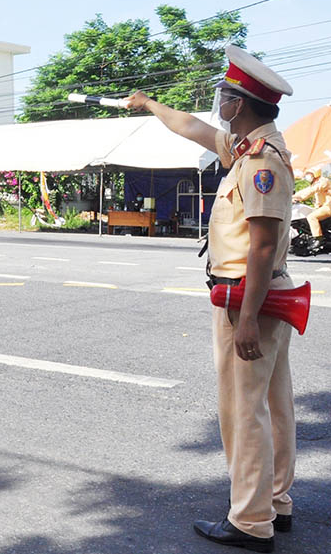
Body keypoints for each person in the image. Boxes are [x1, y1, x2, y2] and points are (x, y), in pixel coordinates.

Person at [125, 45, 295, 553]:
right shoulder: (251, 147)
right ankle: (276, 503)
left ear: (239, 105)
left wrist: (245, 318)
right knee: (274, 403)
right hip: (262, 296)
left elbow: (263, 244)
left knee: (244, 410)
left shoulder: (260, 161)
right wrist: (150, 104)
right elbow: (193, 129)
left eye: (223, 95)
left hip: (248, 299)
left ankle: (250, 522)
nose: (217, 102)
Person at [291, 166, 331, 251]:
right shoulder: (314, 184)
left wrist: (297, 197)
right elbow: (307, 190)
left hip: (328, 207)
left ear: (315, 173)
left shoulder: (323, 181)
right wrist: (293, 197)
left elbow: (311, 191)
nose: (307, 176)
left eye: (309, 174)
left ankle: (318, 239)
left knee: (311, 217)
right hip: (321, 208)